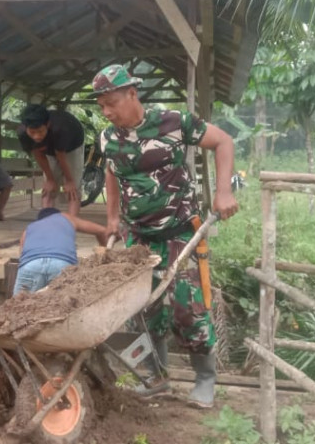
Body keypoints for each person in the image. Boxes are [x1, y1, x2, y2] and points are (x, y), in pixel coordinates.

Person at [92, 64, 239, 409]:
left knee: (187, 309)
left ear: (132, 93)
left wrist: (223, 191)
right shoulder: (108, 138)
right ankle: (157, 378)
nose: (107, 112)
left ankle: (205, 380)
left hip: (180, 233)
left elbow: (223, 141)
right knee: (144, 309)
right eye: (101, 107)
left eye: (112, 102)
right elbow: (111, 173)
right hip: (138, 238)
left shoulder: (172, 121)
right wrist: (112, 218)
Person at [13, 207, 109, 295]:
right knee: (66, 307)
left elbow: (21, 255)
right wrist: (104, 252)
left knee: (16, 308)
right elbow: (101, 230)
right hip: (62, 264)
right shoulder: (66, 217)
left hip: (30, 265)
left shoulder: (29, 228)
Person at [17, 104, 85, 216]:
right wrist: (49, 178)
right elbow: (37, 153)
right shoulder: (23, 133)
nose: (36, 136)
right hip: (48, 149)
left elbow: (61, 155)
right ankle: (47, 222)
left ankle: (72, 224)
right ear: (26, 127)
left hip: (73, 145)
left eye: (40, 131)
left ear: (47, 125)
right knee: (49, 188)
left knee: (73, 189)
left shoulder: (60, 128)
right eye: (32, 132)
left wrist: (69, 180)